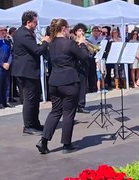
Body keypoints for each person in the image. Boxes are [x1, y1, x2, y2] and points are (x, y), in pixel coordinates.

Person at [36, 18, 89, 154]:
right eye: (68, 28)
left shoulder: (51, 44)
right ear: (64, 29)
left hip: (54, 81)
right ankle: (66, 144)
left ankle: (44, 141)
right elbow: (84, 57)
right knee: (68, 113)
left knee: (55, 111)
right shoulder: (70, 43)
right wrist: (82, 44)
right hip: (69, 81)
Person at [12, 11, 50, 136]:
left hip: (29, 70)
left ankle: (35, 123)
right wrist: (45, 42)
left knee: (35, 99)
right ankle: (28, 126)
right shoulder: (24, 34)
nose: (36, 24)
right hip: (26, 71)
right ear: (28, 22)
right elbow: (37, 51)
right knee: (29, 99)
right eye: (35, 22)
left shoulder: (24, 32)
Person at [73, 23, 91, 114]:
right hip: (76, 67)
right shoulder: (73, 42)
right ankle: (74, 105)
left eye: (83, 31)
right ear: (76, 32)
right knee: (75, 87)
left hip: (84, 67)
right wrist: (81, 44)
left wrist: (87, 46)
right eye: (80, 30)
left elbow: (89, 54)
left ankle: (81, 105)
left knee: (83, 86)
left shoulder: (85, 41)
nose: (82, 32)